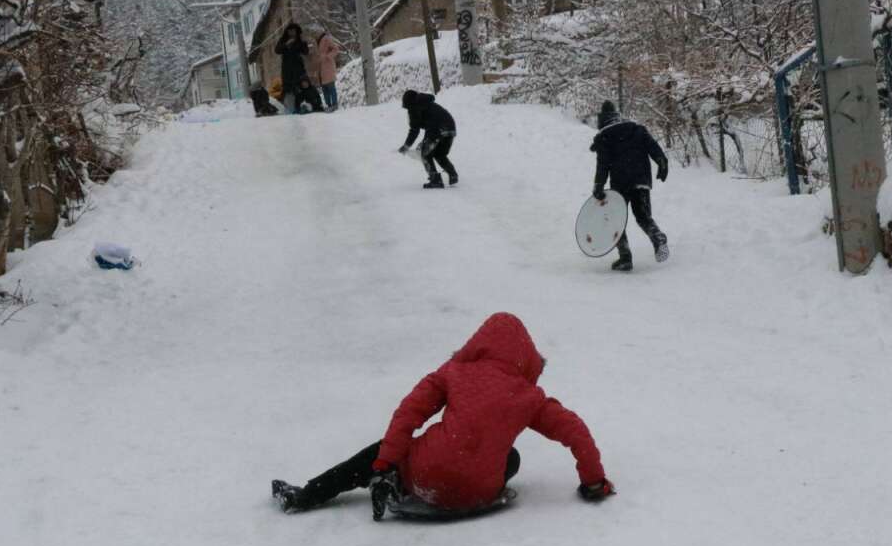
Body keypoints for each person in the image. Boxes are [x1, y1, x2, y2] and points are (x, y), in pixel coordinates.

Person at [271, 312, 615, 519]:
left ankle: (308, 495)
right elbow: (575, 431)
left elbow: (409, 414)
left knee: (378, 453)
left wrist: (384, 464)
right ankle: (464, 483)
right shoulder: (530, 396)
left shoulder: (453, 372)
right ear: (525, 357)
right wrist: (594, 482)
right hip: (482, 490)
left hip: (425, 474)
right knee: (509, 457)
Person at [590, 99, 670, 271]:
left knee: (615, 220)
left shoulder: (605, 136)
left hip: (621, 184)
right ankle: (658, 238)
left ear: (602, 120)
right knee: (643, 216)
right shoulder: (636, 129)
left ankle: (625, 257)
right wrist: (662, 162)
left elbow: (603, 164)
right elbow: (653, 147)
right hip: (641, 180)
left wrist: (598, 185)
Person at [398, 89, 457, 189]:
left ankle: (435, 180)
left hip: (437, 130)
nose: (408, 110)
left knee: (425, 154)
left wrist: (406, 146)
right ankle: (453, 175)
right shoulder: (427, 103)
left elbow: (414, 130)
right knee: (439, 154)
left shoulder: (414, 107)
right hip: (450, 128)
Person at [274, 23, 309, 114]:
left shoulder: (299, 40)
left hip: (298, 69)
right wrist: (286, 44)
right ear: (287, 31)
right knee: (289, 90)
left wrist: (304, 43)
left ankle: (302, 107)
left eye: (294, 31)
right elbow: (277, 50)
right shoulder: (283, 39)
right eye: (290, 31)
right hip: (287, 70)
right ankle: (291, 109)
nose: (292, 33)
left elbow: (305, 52)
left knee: (300, 89)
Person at [310, 24, 340, 112]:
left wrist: (328, 56)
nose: (314, 35)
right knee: (324, 88)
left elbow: (336, 49)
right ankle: (328, 105)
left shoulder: (326, 38)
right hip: (320, 68)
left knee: (330, 86)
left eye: (314, 33)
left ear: (318, 32)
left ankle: (334, 104)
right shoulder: (315, 42)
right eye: (313, 33)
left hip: (328, 65)